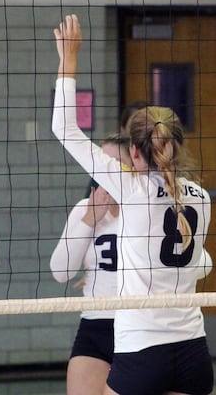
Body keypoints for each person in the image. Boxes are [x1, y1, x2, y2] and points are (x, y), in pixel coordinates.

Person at [52, 14, 214, 395]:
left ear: (135, 156)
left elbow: (64, 130)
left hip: (142, 348)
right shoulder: (202, 198)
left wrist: (69, 59)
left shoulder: (132, 190)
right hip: (193, 349)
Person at [50, 133, 131, 395]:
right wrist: (90, 220)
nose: (106, 168)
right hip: (94, 325)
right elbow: (60, 272)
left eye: (115, 162)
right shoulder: (85, 207)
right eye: (101, 160)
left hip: (137, 326)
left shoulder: (145, 209)